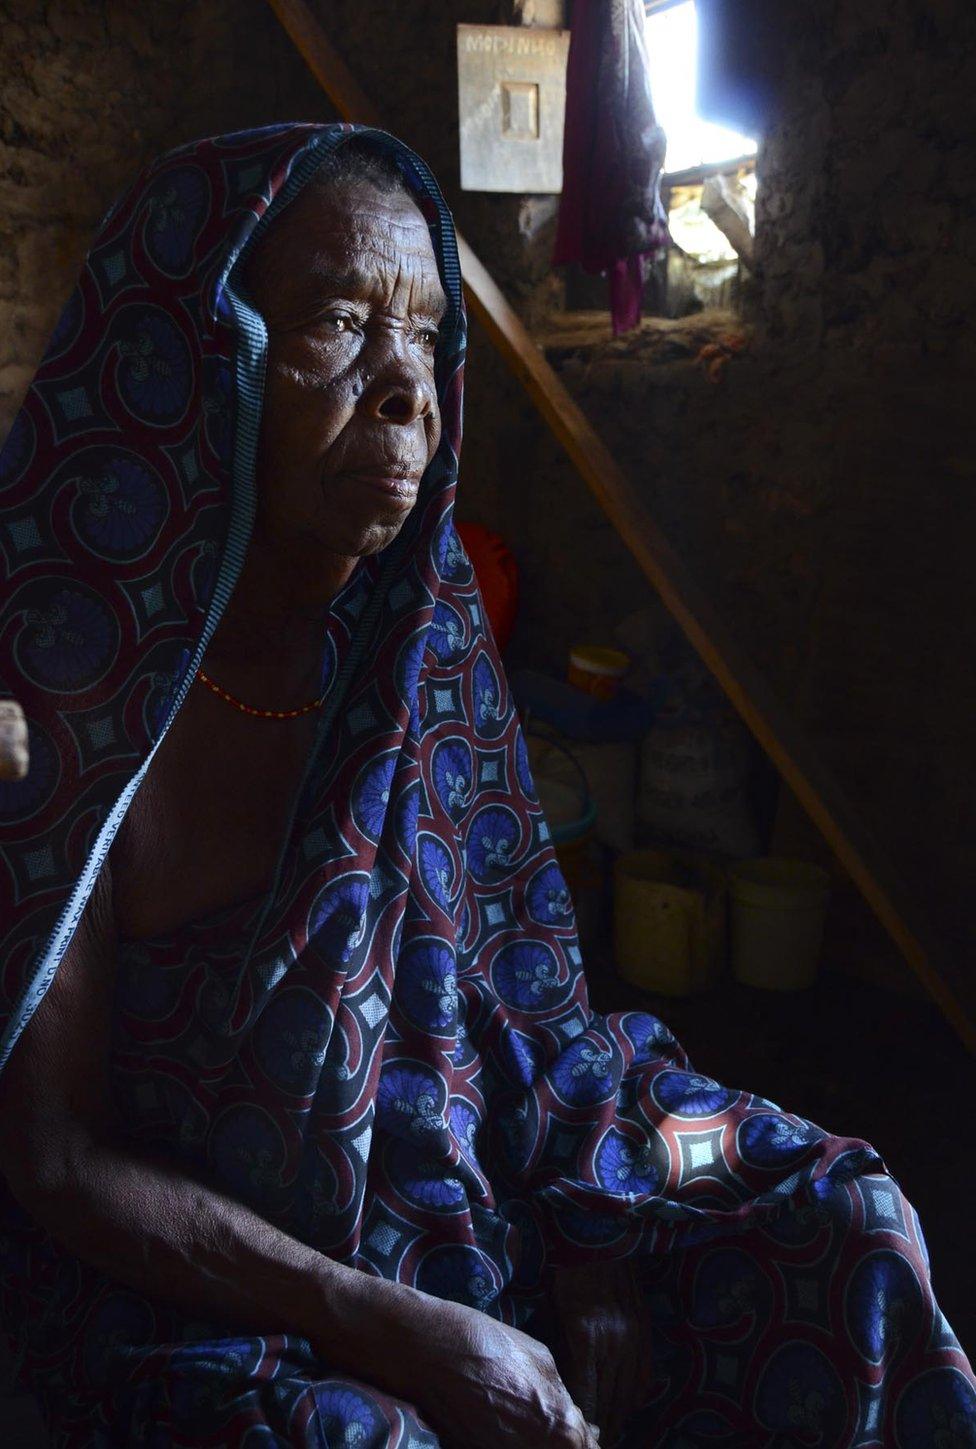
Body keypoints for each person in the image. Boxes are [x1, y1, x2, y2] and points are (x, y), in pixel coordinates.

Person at [0, 122, 971, 1449]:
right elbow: (54, 1160)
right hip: (228, 1271)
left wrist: (591, 1223)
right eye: (341, 323)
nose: (409, 389)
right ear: (193, 359)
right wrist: (403, 1326)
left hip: (517, 1142)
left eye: (427, 337)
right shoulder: (65, 688)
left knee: (842, 1221)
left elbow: (526, 980)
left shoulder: (422, 626)